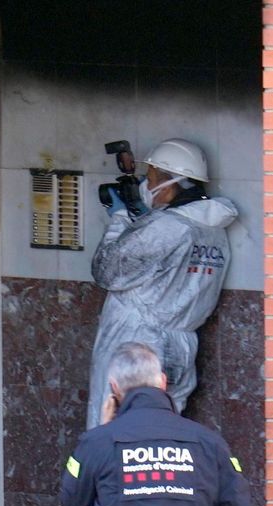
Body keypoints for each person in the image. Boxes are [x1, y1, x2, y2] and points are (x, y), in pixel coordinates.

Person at [61, 342, 251, 506]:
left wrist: (102, 430)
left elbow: (72, 500)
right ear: (162, 381)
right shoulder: (209, 443)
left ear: (114, 388)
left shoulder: (97, 442)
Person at [87, 138, 237, 428]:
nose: (146, 183)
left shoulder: (167, 227)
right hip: (181, 347)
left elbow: (107, 271)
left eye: (151, 177)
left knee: (115, 434)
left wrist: (119, 219)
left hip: (137, 346)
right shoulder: (212, 231)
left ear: (170, 185)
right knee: (161, 438)